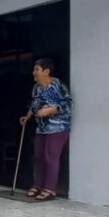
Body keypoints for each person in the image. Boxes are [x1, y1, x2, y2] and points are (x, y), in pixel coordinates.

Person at [19, 57, 72, 201]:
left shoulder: (57, 85)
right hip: (42, 128)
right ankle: (38, 185)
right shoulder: (36, 88)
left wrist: (50, 111)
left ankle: (50, 189)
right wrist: (27, 117)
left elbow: (68, 104)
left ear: (46, 71)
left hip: (58, 126)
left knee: (50, 156)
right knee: (39, 156)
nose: (33, 73)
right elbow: (34, 104)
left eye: (36, 69)